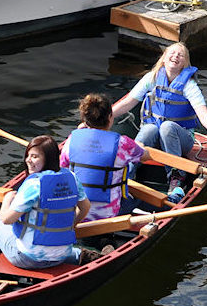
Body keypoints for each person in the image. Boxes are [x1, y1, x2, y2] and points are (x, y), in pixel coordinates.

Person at [111, 42, 207, 203]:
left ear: (185, 63)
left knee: (167, 127)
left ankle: (177, 179)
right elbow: (127, 103)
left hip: (182, 141)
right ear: (163, 58)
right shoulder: (152, 78)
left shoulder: (189, 86)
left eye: (180, 55)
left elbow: (203, 115)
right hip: (154, 138)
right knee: (148, 129)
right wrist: (96, 119)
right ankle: (128, 174)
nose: (176, 56)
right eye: (173, 52)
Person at [0, 135, 94, 268]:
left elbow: (6, 219)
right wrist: (69, 226)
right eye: (28, 155)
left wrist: (7, 200)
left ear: (48, 159)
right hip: (61, 256)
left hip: (27, 259)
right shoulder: (72, 178)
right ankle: (82, 255)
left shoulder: (34, 185)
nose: (28, 160)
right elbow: (85, 207)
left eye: (35, 157)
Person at [60, 92, 145, 222]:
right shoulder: (123, 143)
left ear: (85, 119)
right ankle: (174, 197)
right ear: (110, 117)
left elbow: (62, 166)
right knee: (138, 200)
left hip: (75, 212)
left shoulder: (72, 139)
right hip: (108, 214)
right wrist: (139, 145)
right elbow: (145, 156)